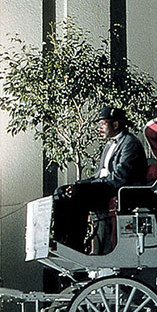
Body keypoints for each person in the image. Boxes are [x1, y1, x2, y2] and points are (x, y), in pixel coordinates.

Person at [53, 106, 147, 252]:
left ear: (115, 125)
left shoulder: (130, 144)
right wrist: (77, 184)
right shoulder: (110, 144)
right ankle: (61, 241)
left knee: (78, 192)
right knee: (61, 191)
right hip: (106, 186)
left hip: (118, 189)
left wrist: (83, 187)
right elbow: (99, 175)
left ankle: (74, 245)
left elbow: (119, 177)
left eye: (102, 124)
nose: (99, 128)